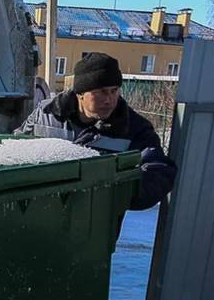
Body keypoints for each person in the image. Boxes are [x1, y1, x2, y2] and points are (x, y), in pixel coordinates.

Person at [17, 52, 177, 211]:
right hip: (41, 215)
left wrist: (118, 192)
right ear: (80, 94)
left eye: (114, 91)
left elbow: (158, 169)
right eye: (101, 92)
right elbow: (16, 150)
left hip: (94, 223)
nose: (109, 100)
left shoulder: (133, 128)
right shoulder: (46, 114)